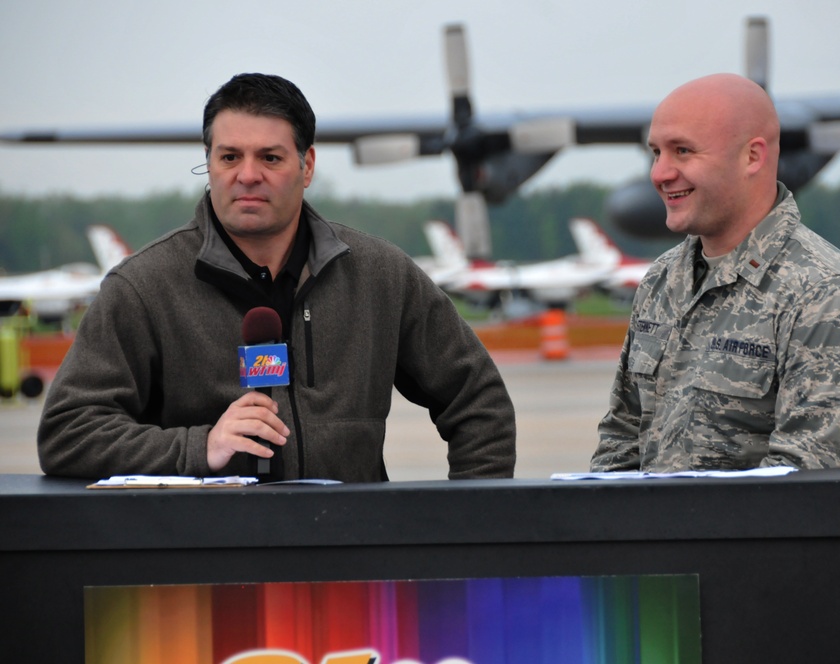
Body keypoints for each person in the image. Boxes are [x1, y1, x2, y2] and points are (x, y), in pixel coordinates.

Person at [38, 73, 516, 482]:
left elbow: (478, 401)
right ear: (208, 164)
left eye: (270, 157)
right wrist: (198, 448)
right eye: (229, 157)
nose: (247, 175)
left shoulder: (381, 276)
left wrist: (472, 522)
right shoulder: (142, 288)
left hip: (352, 568)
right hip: (202, 574)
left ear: (306, 166)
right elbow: (68, 433)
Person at [591, 73, 840, 472]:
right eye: (656, 153)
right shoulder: (663, 281)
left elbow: (811, 478)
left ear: (752, 157)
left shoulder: (829, 298)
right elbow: (620, 440)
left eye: (682, 151)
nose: (659, 174)